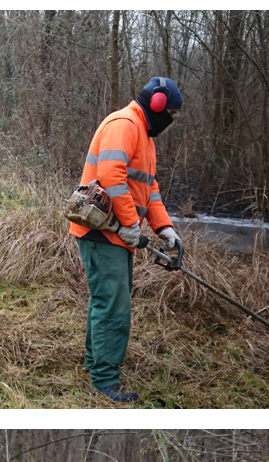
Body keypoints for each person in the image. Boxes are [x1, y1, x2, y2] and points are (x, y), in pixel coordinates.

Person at [69, 75, 183, 404]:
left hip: (116, 233)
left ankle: (94, 364)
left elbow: (149, 189)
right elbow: (110, 176)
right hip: (102, 230)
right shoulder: (125, 124)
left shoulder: (144, 135)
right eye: (171, 115)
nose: (171, 121)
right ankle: (105, 380)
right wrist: (132, 224)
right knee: (114, 306)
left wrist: (165, 229)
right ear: (158, 106)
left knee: (105, 300)